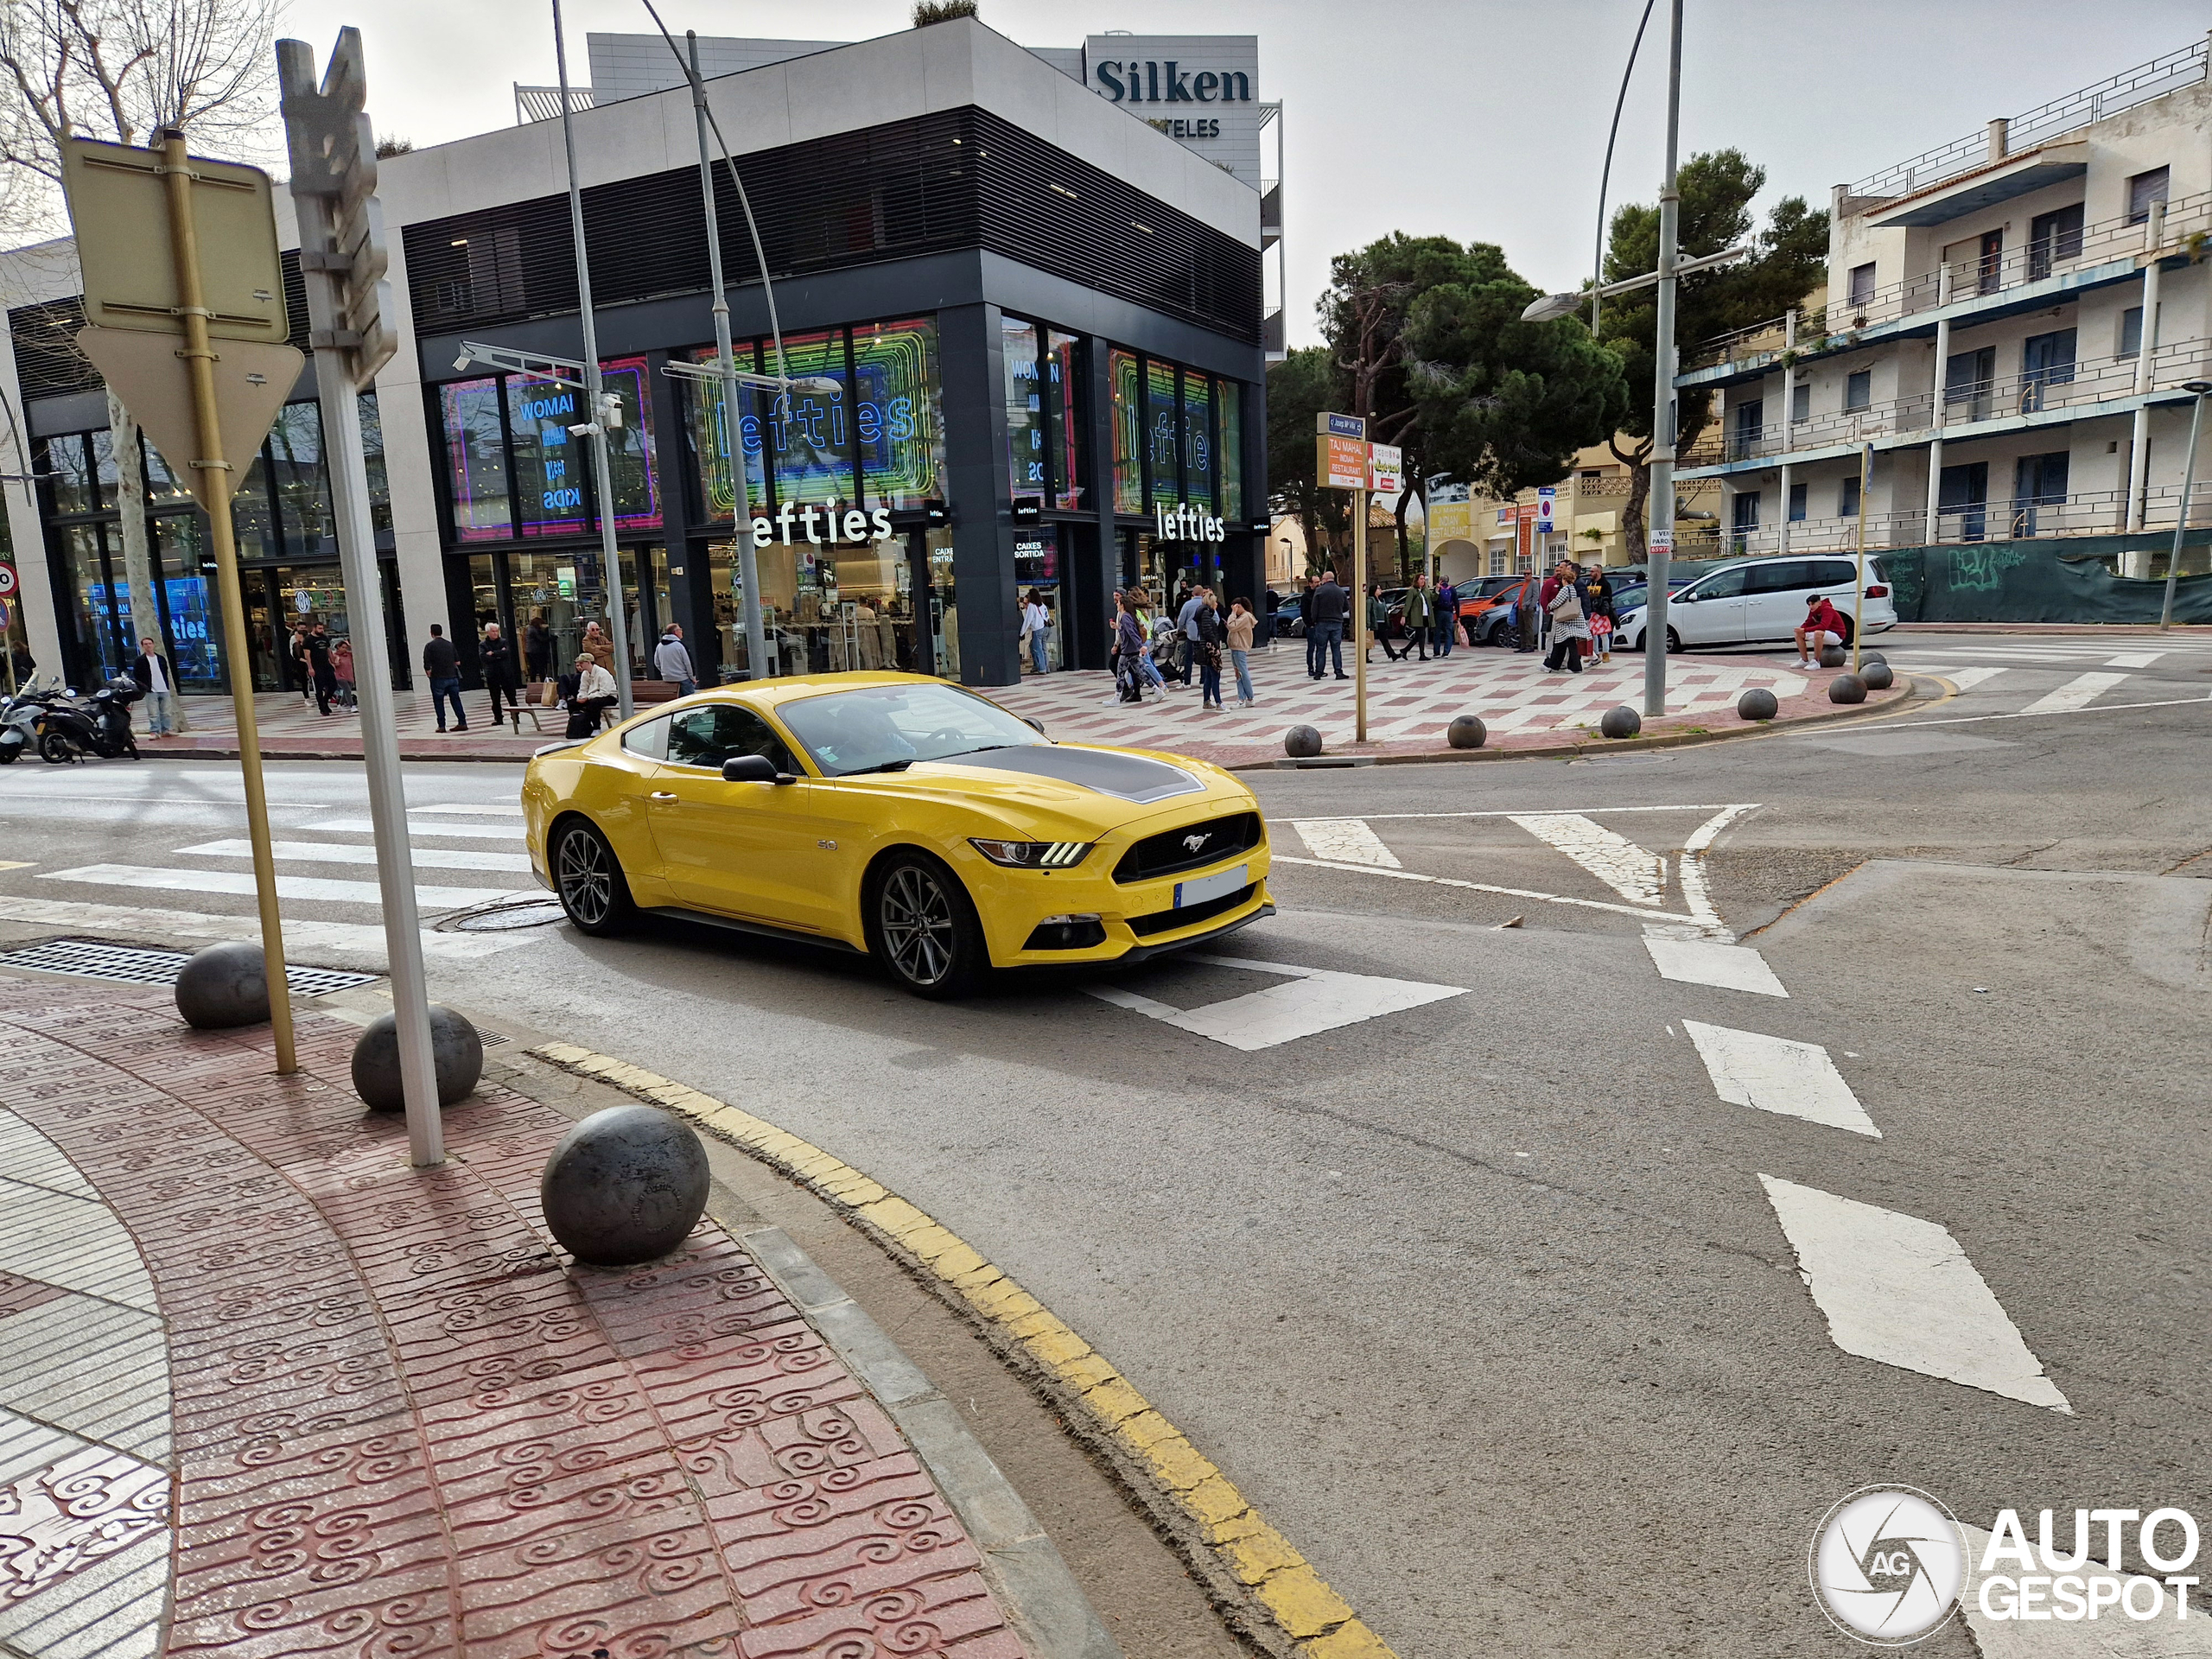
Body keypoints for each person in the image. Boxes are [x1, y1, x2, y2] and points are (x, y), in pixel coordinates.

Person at [1541, 562, 1586, 673]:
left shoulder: (1565, 589)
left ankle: (1575, 667)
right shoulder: (1573, 589)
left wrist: (1549, 606)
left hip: (1566, 621)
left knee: (1568, 644)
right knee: (1560, 644)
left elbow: (1557, 601)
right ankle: (1553, 665)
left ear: (1565, 580)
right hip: (1572, 621)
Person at [423, 623, 465, 732]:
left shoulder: (429, 646)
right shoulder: (450, 645)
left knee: (438, 701)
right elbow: (458, 662)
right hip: (452, 676)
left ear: (431, 633)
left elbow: (427, 663)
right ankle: (462, 722)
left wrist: (429, 673)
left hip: (438, 677)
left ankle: (441, 725)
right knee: (455, 700)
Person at [129, 637, 175, 737]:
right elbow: (137, 675)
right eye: (145, 644)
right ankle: (154, 731)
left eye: (150, 643)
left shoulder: (161, 658)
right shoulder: (140, 660)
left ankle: (166, 730)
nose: (148, 646)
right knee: (153, 713)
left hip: (164, 688)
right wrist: (144, 687)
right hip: (151, 690)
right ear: (142, 646)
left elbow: (165, 672)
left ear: (153, 645)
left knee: (166, 712)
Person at [1307, 569, 1349, 680]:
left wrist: (1315, 620)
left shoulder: (1320, 591)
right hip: (1337, 623)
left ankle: (1319, 672)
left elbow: (1314, 608)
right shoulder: (1340, 591)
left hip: (1322, 623)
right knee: (1336, 648)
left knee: (1321, 648)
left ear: (1325, 579)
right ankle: (1338, 672)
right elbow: (1346, 607)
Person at [567, 652, 616, 737]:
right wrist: (581, 697)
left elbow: (605, 691)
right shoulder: (585, 674)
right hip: (591, 697)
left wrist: (588, 697)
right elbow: (583, 689)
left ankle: (597, 728)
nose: (579, 665)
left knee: (593, 703)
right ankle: (584, 727)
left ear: (588, 662)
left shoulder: (602, 673)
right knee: (572, 704)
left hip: (609, 696)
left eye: (581, 663)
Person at [480, 622, 520, 726]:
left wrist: (493, 653)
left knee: (511, 696)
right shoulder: (483, 644)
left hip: (505, 673)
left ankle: (516, 716)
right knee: (495, 698)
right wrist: (499, 654)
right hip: (492, 674)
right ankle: (498, 718)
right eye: (493, 631)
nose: (495, 633)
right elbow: (484, 657)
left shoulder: (503, 641)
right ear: (488, 632)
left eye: (496, 631)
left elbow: (507, 653)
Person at [1796, 593, 1849, 665]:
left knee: (1818, 633)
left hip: (1837, 635)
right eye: (1809, 605)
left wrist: (1805, 630)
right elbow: (1808, 622)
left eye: (1813, 604)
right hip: (1825, 634)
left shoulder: (1827, 609)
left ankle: (1816, 661)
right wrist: (1801, 629)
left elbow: (1823, 626)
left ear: (1819, 603)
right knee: (1798, 634)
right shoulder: (1813, 611)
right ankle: (1804, 660)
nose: (1811, 607)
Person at [1194, 588, 1226, 709]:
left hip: (1205, 647)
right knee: (1215, 674)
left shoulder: (1204, 613)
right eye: (1215, 602)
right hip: (1209, 648)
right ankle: (1219, 702)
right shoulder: (1206, 614)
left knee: (1208, 675)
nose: (1217, 604)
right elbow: (1208, 631)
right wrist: (1216, 644)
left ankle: (1206, 701)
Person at [1225, 596, 1257, 707]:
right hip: (1235, 647)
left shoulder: (1246, 617)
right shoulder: (1243, 617)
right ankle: (1242, 697)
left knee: (1243, 672)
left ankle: (1248, 697)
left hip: (1240, 648)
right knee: (1238, 673)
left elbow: (1231, 626)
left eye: (1235, 608)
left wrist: (1233, 614)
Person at [1582, 569, 1617, 665]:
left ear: (1599, 572)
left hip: (1601, 612)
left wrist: (1599, 600)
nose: (1591, 573)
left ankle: (1606, 654)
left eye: (1593, 571)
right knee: (1592, 634)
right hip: (1591, 611)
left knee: (1603, 633)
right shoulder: (1590, 583)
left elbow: (1609, 597)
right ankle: (1595, 653)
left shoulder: (1605, 584)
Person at [1175, 584, 1206, 684]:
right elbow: (1216, 619)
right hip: (1203, 636)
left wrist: (1180, 629)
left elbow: (1181, 619)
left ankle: (1187, 682)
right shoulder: (1205, 604)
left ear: (1193, 593)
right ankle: (1203, 681)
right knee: (1204, 659)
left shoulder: (1187, 604)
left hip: (1191, 635)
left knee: (1188, 659)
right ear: (1202, 593)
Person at [1402, 575, 1439, 662]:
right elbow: (1408, 604)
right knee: (1421, 635)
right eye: (1421, 579)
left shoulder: (1426, 591)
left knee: (1419, 636)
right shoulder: (1412, 591)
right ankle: (1421, 654)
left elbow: (1433, 598)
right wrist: (1404, 615)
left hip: (1426, 615)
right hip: (1417, 616)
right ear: (1416, 580)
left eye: (1424, 579)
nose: (1423, 581)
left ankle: (1405, 650)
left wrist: (1437, 591)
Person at [653, 622, 696, 695]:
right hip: (682, 678)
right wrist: (692, 677)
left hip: (667, 679)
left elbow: (657, 663)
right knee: (691, 700)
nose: (682, 631)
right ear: (675, 632)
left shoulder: (659, 646)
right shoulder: (680, 646)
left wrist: (665, 672)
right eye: (680, 629)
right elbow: (688, 663)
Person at [307, 622, 336, 715]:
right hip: (316, 666)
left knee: (333, 685)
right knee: (319, 687)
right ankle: (322, 707)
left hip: (326, 665)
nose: (321, 630)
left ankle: (325, 701)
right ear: (314, 628)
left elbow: (328, 650)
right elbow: (307, 655)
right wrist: (310, 668)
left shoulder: (324, 637)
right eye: (319, 628)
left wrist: (333, 662)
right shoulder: (308, 640)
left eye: (322, 628)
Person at [1020, 590, 1051, 676]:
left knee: (1037, 649)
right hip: (1045, 628)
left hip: (1037, 629)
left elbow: (1028, 620)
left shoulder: (1032, 606)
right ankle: (1046, 667)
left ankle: (1041, 668)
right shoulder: (1042, 605)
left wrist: (1022, 632)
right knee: (1043, 648)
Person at [524, 613, 551, 683]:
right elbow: (541, 639)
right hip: (535, 651)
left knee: (533, 668)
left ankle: (533, 683)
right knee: (540, 667)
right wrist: (550, 638)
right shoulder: (534, 630)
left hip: (529, 651)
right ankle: (542, 682)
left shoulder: (529, 629)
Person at [331, 639, 357, 709]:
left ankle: (340, 704)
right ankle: (352, 706)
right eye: (343, 647)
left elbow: (356, 652)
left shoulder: (349, 655)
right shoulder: (335, 655)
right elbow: (333, 664)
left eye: (346, 648)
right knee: (347, 690)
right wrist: (336, 663)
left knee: (347, 691)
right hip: (340, 676)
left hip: (349, 675)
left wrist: (350, 645)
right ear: (338, 647)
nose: (344, 649)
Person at [1436, 577, 1459, 656]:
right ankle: (1446, 652)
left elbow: (1434, 600)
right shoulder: (1452, 589)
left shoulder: (1438, 589)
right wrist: (1458, 615)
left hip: (1439, 612)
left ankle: (1436, 652)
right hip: (1449, 612)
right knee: (1449, 632)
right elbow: (1456, 602)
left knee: (1437, 632)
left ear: (1440, 581)